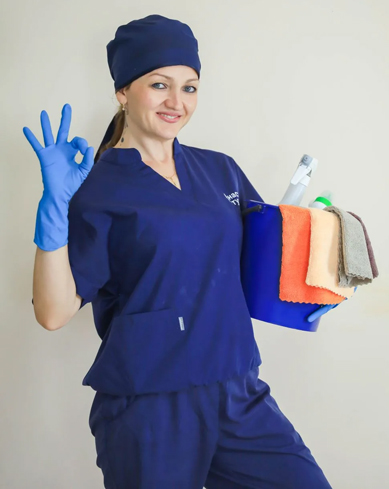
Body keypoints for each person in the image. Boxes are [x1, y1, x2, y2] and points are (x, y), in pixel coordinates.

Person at [25, 14, 334, 489]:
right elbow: (53, 312)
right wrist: (53, 211)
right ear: (123, 92)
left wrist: (325, 267)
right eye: (159, 85)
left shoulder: (221, 171)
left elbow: (262, 265)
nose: (176, 102)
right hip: (149, 408)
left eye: (189, 87)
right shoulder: (96, 187)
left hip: (238, 391)